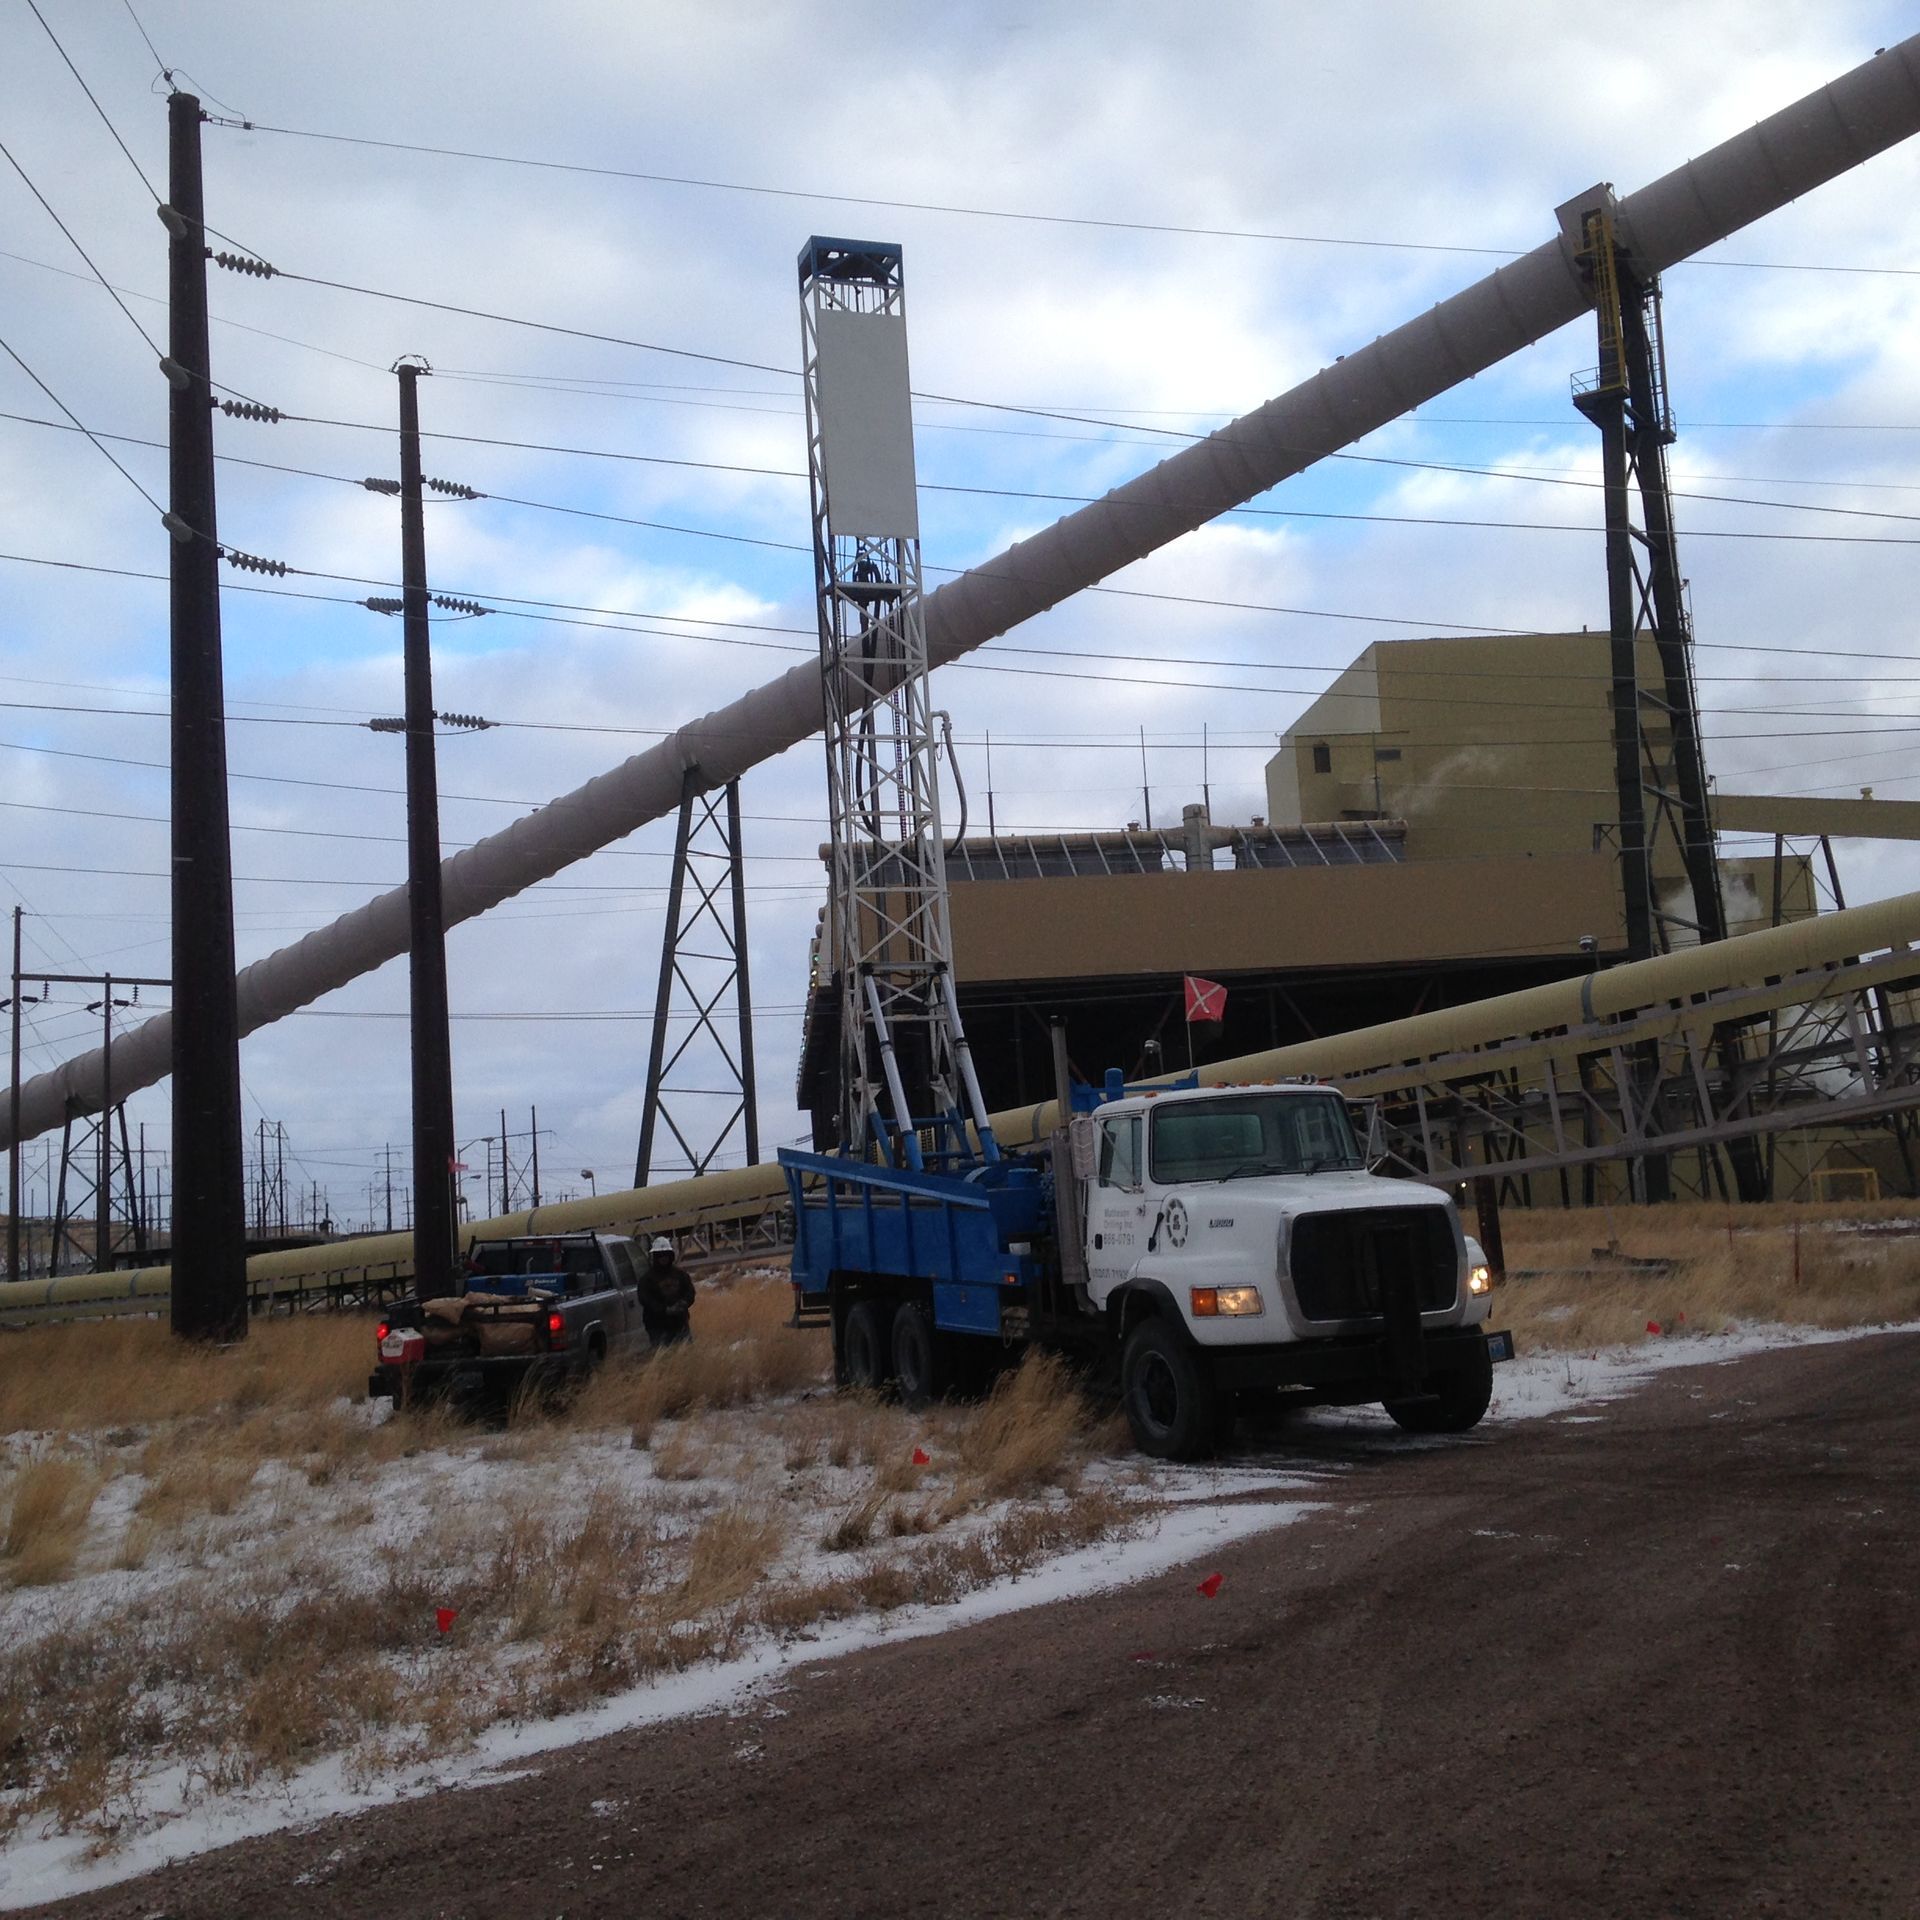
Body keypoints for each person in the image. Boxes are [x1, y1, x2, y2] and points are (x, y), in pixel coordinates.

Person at [637, 1235, 695, 1347]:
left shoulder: (680, 1275)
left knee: (685, 1351)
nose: (663, 1258)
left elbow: (690, 1292)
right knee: (662, 1353)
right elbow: (645, 1299)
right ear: (655, 1257)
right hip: (657, 1325)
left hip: (679, 1322)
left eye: (666, 1255)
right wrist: (664, 1309)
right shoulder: (647, 1279)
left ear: (670, 1255)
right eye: (660, 1255)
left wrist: (683, 1303)